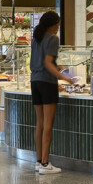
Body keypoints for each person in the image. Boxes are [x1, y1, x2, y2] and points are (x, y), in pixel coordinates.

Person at [29, 11, 68, 174]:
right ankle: (46, 164)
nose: (57, 29)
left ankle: (39, 161)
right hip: (47, 82)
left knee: (40, 123)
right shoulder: (53, 39)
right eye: (57, 26)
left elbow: (41, 62)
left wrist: (55, 68)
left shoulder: (36, 38)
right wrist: (65, 78)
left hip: (35, 82)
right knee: (48, 125)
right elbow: (48, 63)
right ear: (52, 25)